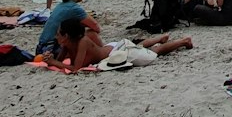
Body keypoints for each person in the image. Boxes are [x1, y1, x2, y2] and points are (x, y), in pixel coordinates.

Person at [48, 18, 192, 72]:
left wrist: (54, 62)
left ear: (66, 36)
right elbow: (60, 62)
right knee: (139, 46)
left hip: (117, 51)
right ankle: (160, 38)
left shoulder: (82, 42)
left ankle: (184, 41)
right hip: (113, 49)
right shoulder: (67, 44)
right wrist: (51, 59)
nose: (56, 36)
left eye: (58, 33)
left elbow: (75, 68)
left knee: (155, 53)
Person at [37, 0, 102, 55]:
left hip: (41, 48)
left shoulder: (61, 5)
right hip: (50, 49)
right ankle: (101, 54)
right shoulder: (75, 9)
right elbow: (96, 27)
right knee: (92, 34)